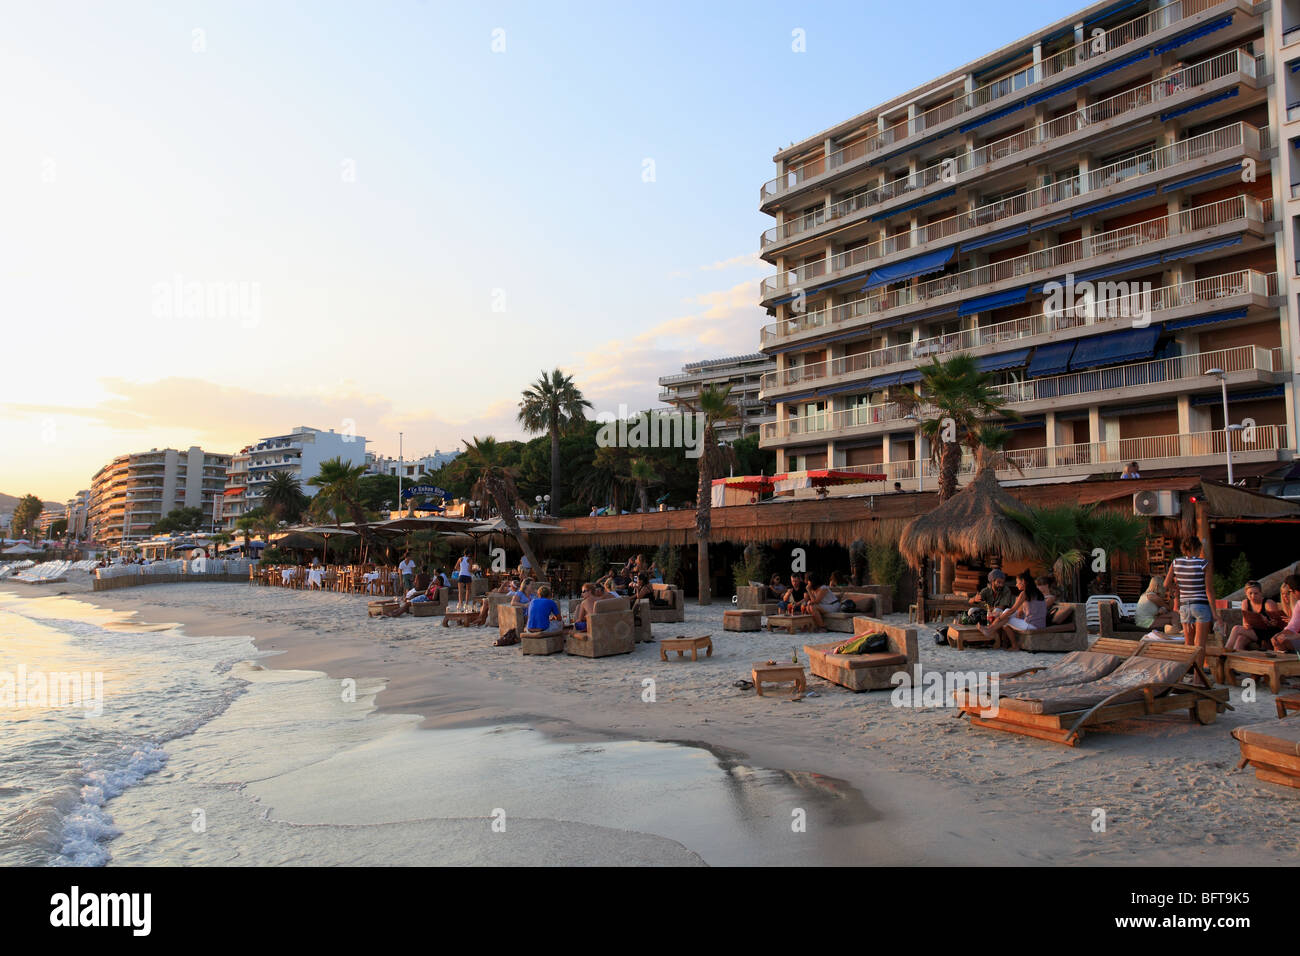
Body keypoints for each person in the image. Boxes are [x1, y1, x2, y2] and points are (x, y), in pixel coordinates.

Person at [1162, 536, 1219, 647]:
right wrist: (1214, 613)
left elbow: (1166, 584)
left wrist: (1177, 588)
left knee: (1188, 643)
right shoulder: (1204, 563)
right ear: (1197, 548)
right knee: (1200, 644)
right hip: (1200, 605)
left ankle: (1189, 664)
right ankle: (1199, 665)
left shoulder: (1176, 562)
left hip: (1184, 606)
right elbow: (1209, 590)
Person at [980, 571, 1047, 651]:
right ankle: (991, 630)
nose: (1016, 585)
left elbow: (1012, 610)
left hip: (1033, 626)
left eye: (1017, 582)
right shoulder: (1037, 593)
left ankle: (991, 629)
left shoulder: (1024, 593)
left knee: (1006, 619)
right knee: (1006, 614)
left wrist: (999, 618)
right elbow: (1022, 610)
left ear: (1023, 582)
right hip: (1039, 624)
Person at [1226, 579, 1285, 651]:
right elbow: (1244, 623)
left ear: (1260, 593)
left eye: (1256, 593)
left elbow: (1277, 623)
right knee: (1240, 639)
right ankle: (1237, 659)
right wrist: (1247, 625)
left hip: (1267, 633)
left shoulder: (1268, 603)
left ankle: (1226, 650)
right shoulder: (1245, 603)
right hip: (1254, 631)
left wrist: (1268, 622)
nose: (1253, 596)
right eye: (1250, 593)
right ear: (1246, 593)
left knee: (1236, 628)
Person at [1270, 575, 1300, 652]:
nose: (1291, 595)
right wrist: (1278, 635)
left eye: (1290, 592)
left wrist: (1293, 637)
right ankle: (1280, 663)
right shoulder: (1299, 604)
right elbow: (1292, 627)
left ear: (1296, 590)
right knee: (1279, 641)